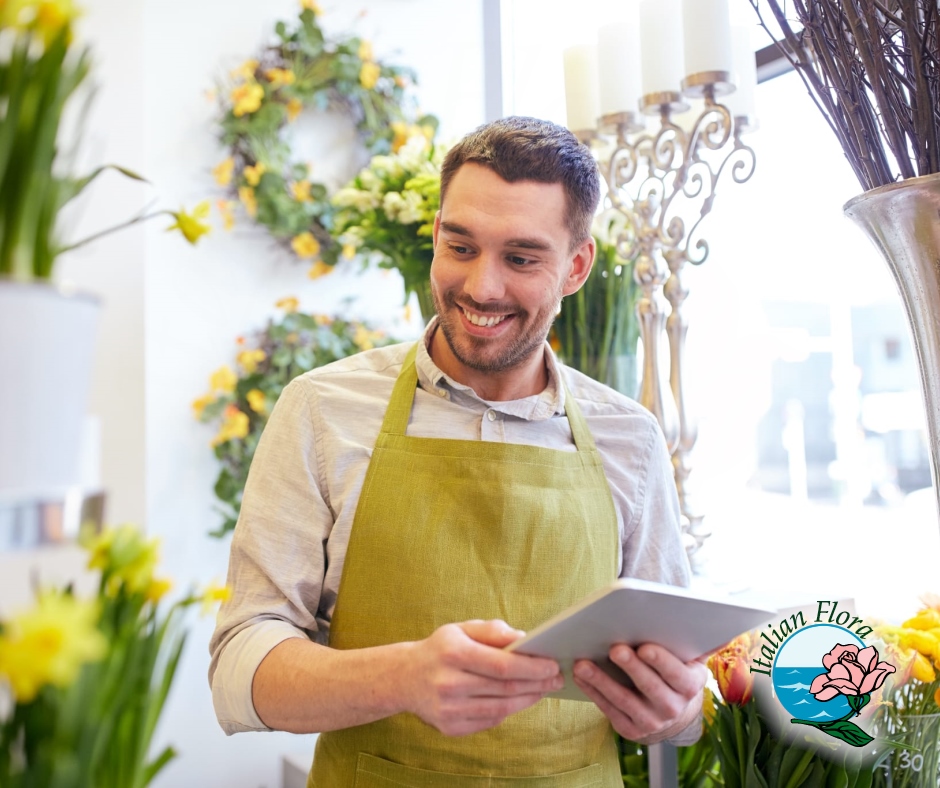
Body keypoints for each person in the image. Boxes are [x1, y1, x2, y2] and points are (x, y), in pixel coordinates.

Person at [209, 116, 707, 787]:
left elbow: (683, 697)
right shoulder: (323, 410)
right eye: (461, 246)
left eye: (522, 258)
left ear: (576, 268)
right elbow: (240, 668)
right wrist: (402, 677)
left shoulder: (631, 438)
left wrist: (674, 711)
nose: (482, 287)